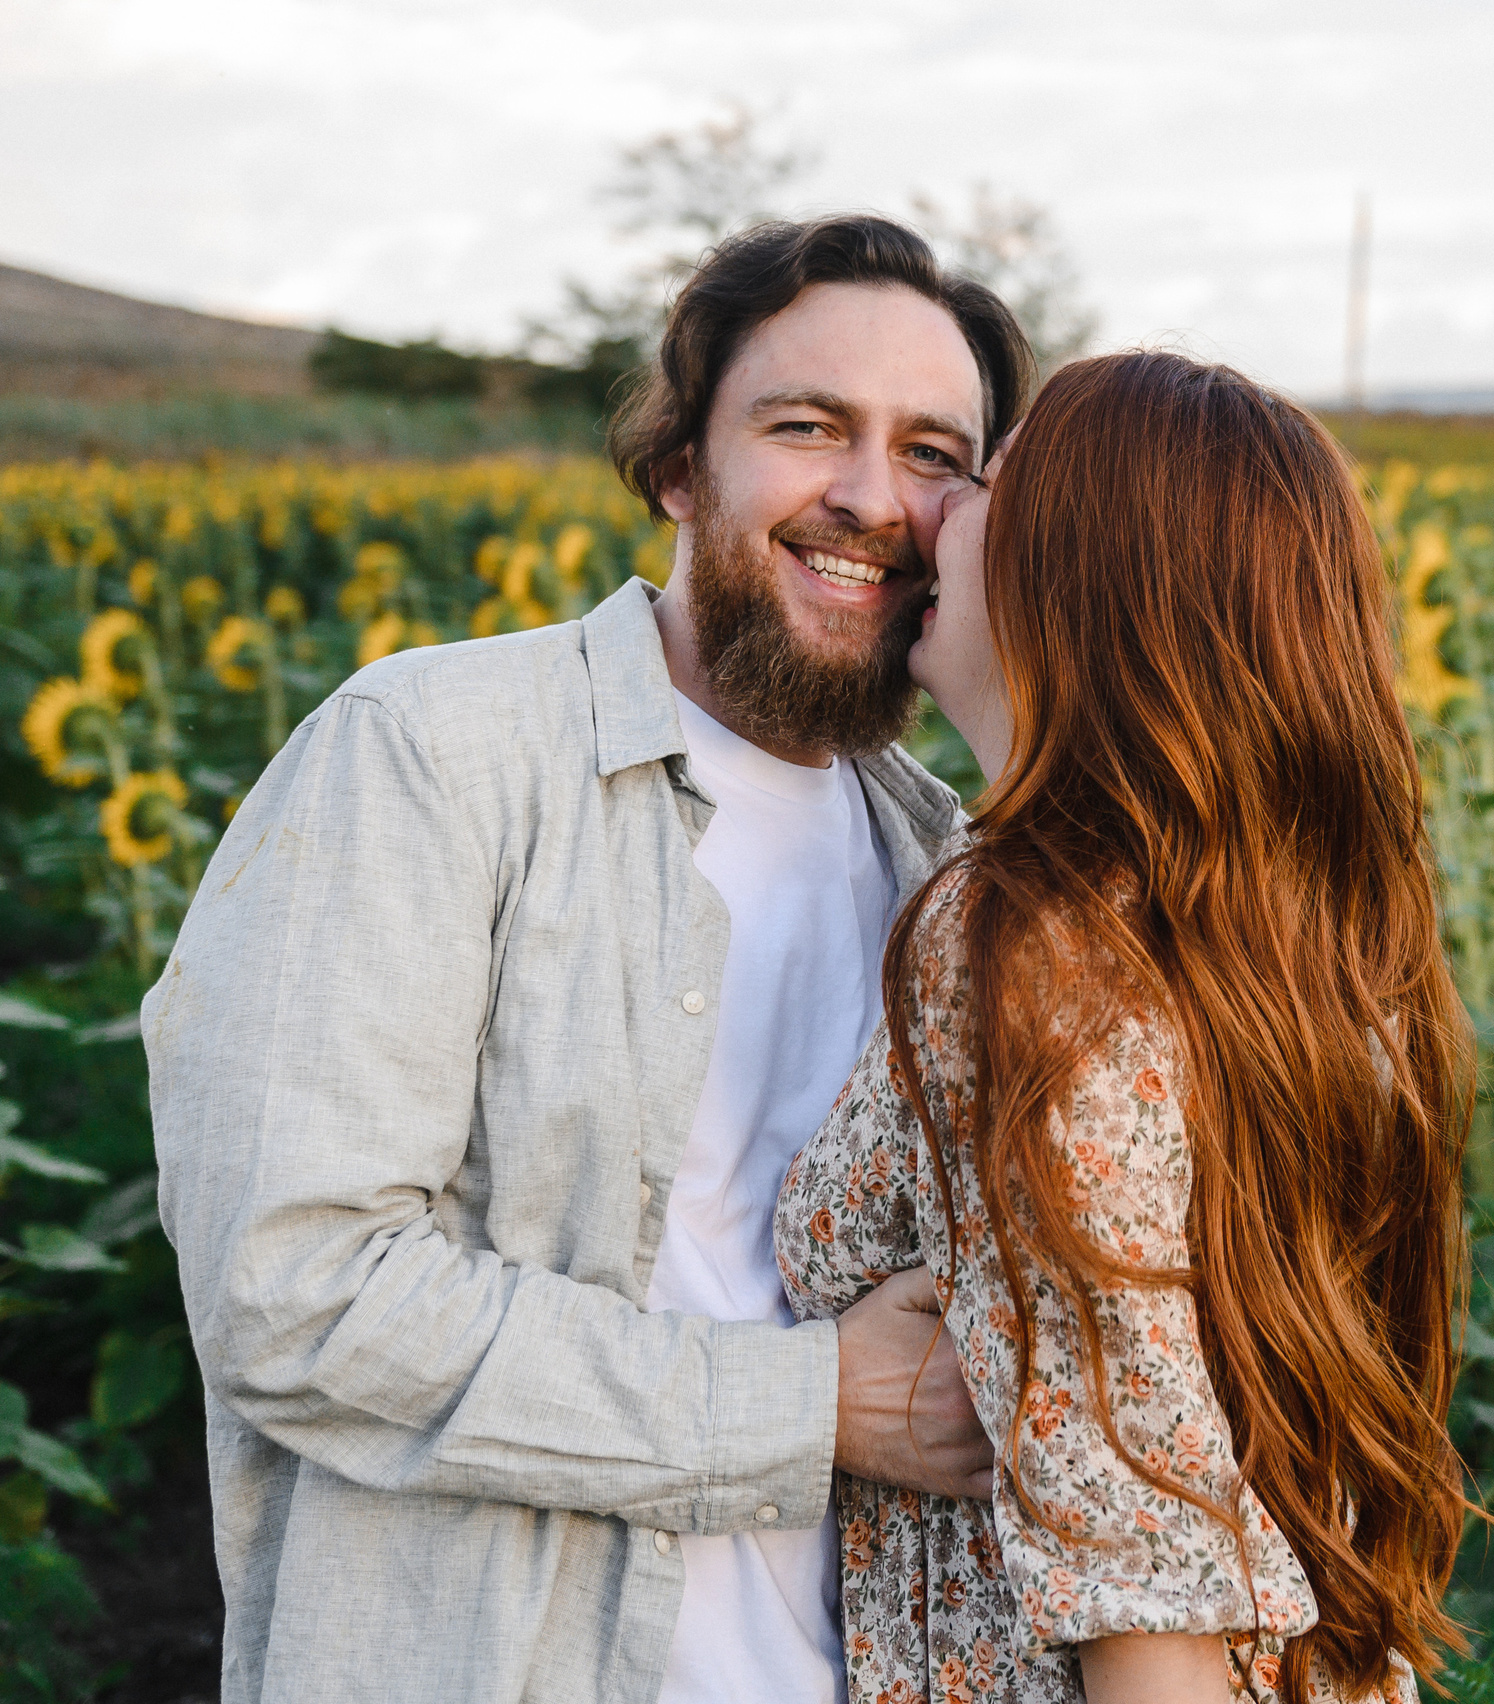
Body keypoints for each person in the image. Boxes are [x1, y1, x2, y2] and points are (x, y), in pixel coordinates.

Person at [144, 215, 1033, 1704]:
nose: (874, 496)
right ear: (680, 466)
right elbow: (293, 1290)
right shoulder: (432, 757)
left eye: (935, 453)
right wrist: (809, 1404)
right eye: (808, 427)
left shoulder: (948, 864)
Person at [773, 350, 1473, 1704]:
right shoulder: (1280, 944)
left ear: (1075, 574)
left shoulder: (1023, 945)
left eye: (989, 482)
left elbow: (1135, 1517)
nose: (934, 515)